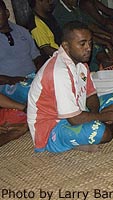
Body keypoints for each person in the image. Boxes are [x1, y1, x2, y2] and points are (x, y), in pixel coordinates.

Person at [27, 21, 113, 153]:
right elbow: (74, 119)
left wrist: (96, 114)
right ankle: (111, 127)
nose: (89, 48)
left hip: (76, 111)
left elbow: (90, 95)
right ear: (66, 46)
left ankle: (88, 134)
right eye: (82, 44)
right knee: (103, 133)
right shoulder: (59, 72)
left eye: (90, 42)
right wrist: (104, 117)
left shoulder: (80, 63)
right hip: (52, 128)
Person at [0, 0, 44, 145]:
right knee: (34, 91)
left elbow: (36, 56)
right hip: (8, 84)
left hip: (30, 78)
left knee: (51, 83)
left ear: (6, 13)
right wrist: (10, 79)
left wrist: (40, 68)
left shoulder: (22, 31)